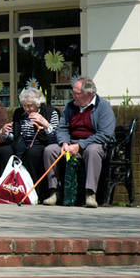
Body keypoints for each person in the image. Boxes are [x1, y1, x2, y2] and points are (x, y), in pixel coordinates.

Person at [41, 75, 116, 208]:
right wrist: (64, 143)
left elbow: (105, 134)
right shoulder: (70, 106)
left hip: (92, 144)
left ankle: (90, 194)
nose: (74, 96)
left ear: (89, 94)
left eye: (77, 93)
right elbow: (62, 128)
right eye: (73, 92)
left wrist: (80, 145)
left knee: (93, 151)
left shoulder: (103, 107)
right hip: (71, 143)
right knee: (50, 150)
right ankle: (54, 192)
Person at [0, 86, 60, 192]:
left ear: (38, 104)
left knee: (32, 153)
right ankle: (6, 188)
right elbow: (14, 136)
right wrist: (4, 132)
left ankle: (35, 190)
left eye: (30, 106)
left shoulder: (51, 112)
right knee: (5, 151)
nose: (27, 109)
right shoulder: (19, 113)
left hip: (41, 143)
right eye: (24, 106)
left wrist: (46, 125)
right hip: (20, 143)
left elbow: (55, 137)